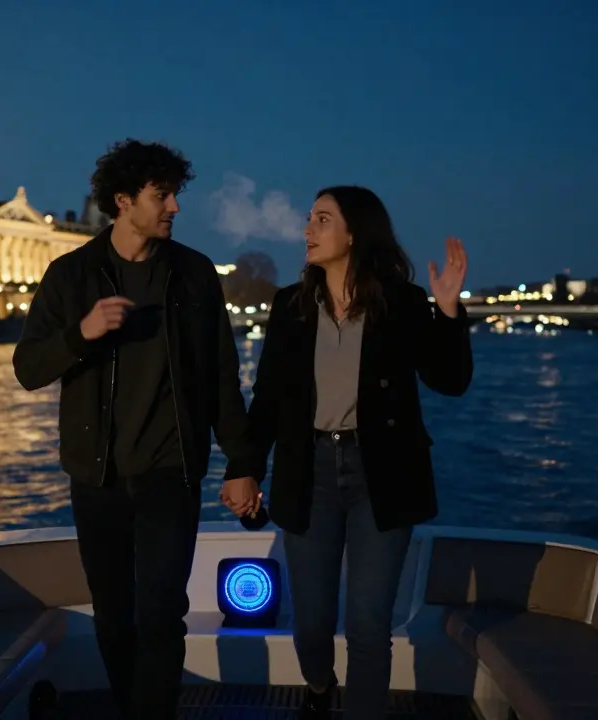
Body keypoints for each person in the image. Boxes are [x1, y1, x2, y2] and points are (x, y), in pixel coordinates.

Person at [12, 139, 261, 718]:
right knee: (115, 614)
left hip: (170, 473)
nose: (174, 206)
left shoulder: (195, 275)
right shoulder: (71, 275)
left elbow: (223, 377)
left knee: (160, 612)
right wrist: (83, 334)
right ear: (123, 201)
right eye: (162, 195)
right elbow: (28, 369)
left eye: (175, 194)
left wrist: (244, 464)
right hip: (96, 477)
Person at [236, 185, 473, 719]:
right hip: (309, 472)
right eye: (309, 220)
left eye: (322, 220)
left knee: (369, 625)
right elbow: (268, 398)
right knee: (314, 622)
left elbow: (451, 380)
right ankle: (318, 689)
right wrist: (244, 470)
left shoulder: (403, 303)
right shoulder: (289, 306)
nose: (307, 231)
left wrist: (449, 310)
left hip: (383, 475)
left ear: (354, 233)